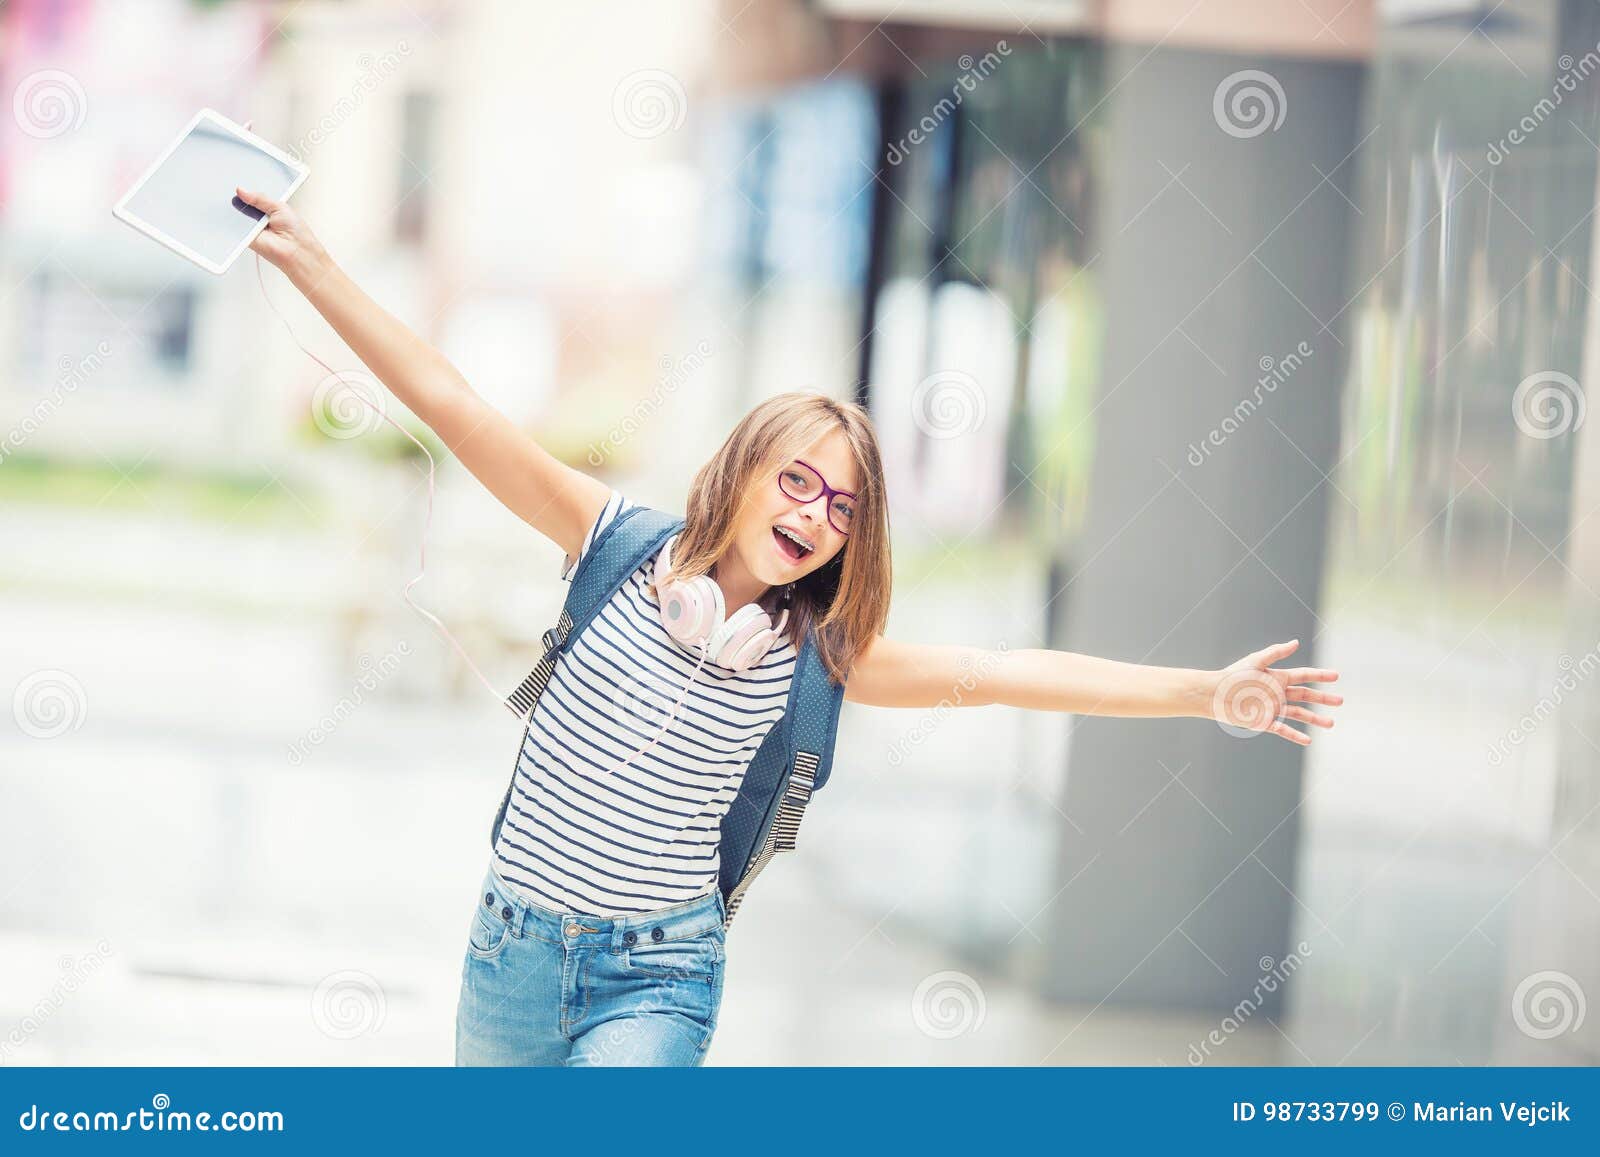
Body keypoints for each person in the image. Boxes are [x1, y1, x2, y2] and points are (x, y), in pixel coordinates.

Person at [238, 186, 1344, 1067]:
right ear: (745, 470)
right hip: (509, 951)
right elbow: (456, 403)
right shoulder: (611, 541)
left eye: (843, 507)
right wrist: (317, 266)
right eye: (798, 482)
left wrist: (1201, 689)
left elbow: (1005, 669)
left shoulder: (821, 654)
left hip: (658, 975)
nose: (814, 515)